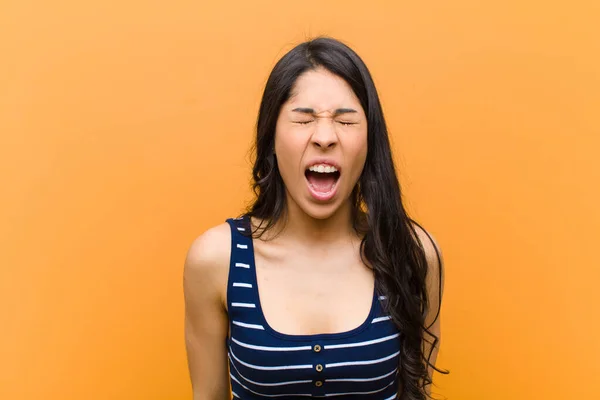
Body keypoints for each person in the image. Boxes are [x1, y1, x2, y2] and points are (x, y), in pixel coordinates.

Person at [183, 37, 445, 400]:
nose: (325, 137)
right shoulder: (216, 261)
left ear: (370, 141)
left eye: (346, 120)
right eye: (304, 119)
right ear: (271, 136)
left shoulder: (412, 254)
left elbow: (418, 393)